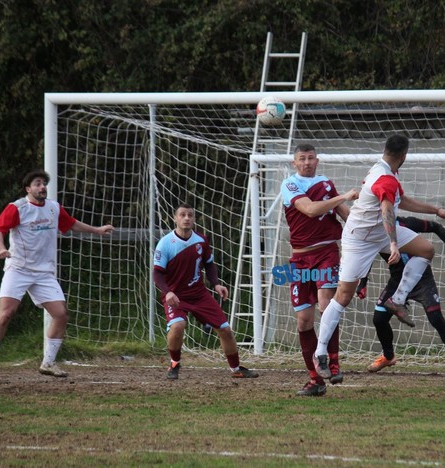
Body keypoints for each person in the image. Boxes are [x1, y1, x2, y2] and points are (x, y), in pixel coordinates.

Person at [313, 134, 445, 379]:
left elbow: (401, 201)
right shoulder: (384, 177)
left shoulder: (385, 171)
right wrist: (392, 242)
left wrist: (436, 209)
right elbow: (387, 209)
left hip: (378, 231)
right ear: (405, 155)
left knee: (426, 250)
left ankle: (397, 300)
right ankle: (320, 352)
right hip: (359, 238)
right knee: (344, 295)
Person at [0, 170, 115, 381]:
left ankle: (48, 363)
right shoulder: (17, 208)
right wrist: (0, 248)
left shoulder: (53, 208)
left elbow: (70, 224)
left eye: (44, 183)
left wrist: (97, 230)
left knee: (60, 314)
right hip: (18, 268)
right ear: (28, 189)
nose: (42, 187)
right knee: (6, 313)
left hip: (44, 272)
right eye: (37, 183)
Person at [279, 143, 359, 397]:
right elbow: (311, 210)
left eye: (310, 158)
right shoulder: (289, 185)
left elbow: (346, 216)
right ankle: (315, 380)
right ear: (294, 163)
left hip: (327, 253)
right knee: (304, 322)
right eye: (301, 159)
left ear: (317, 160)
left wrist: (370, 230)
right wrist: (342, 196)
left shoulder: (326, 184)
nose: (306, 162)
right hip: (299, 260)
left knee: (327, 304)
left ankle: (332, 361)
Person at [153, 203, 258, 380]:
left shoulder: (201, 240)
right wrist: (168, 292)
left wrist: (216, 284)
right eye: (182, 215)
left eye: (190, 215)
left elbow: (209, 264)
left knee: (225, 330)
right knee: (178, 327)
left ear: (194, 218)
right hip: (176, 296)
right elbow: (157, 273)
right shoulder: (165, 244)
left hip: (199, 294)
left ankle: (236, 368)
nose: (186, 218)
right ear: (175, 218)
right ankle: (174, 364)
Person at [357, 216, 445, 375]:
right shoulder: (376, 232)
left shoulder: (406, 224)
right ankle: (388, 356)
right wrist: (363, 283)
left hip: (422, 280)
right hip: (397, 281)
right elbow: (367, 257)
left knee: (436, 319)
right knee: (379, 319)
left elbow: (435, 226)